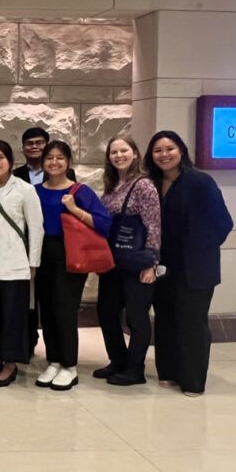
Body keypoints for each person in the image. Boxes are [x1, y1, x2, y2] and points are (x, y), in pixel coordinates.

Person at [146, 130, 232, 397]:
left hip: (196, 266)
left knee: (192, 322)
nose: (164, 154)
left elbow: (223, 223)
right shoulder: (152, 184)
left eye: (169, 148)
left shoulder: (200, 182)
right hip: (163, 265)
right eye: (158, 150)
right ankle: (169, 372)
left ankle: (193, 381)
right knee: (165, 319)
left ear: (181, 151)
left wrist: (200, 248)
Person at [34, 141, 111, 391]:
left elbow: (103, 223)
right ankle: (54, 360)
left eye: (59, 158)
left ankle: (70, 366)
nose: (54, 162)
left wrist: (74, 209)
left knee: (64, 310)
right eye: (49, 158)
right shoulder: (35, 190)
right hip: (41, 253)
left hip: (70, 254)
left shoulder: (80, 191)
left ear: (68, 162)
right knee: (46, 309)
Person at [0, 140, 44, 388]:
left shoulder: (25, 190)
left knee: (11, 312)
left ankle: (10, 363)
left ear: (11, 161)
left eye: (0, 157)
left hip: (13, 257)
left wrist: (33, 263)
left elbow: (36, 228)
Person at [95, 137, 160, 386]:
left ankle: (135, 369)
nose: (119, 155)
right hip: (113, 262)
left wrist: (151, 262)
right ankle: (118, 360)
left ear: (134, 153)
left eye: (124, 150)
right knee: (107, 312)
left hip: (136, 262)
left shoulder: (143, 185)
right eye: (114, 151)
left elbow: (153, 224)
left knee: (136, 317)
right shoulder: (112, 185)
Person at [13, 127, 76, 358]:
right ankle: (30, 345)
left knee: (59, 306)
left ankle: (64, 360)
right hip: (25, 246)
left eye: (40, 143)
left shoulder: (70, 181)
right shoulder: (17, 175)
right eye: (29, 143)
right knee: (31, 301)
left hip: (60, 249)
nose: (35, 147)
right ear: (23, 148)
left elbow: (92, 219)